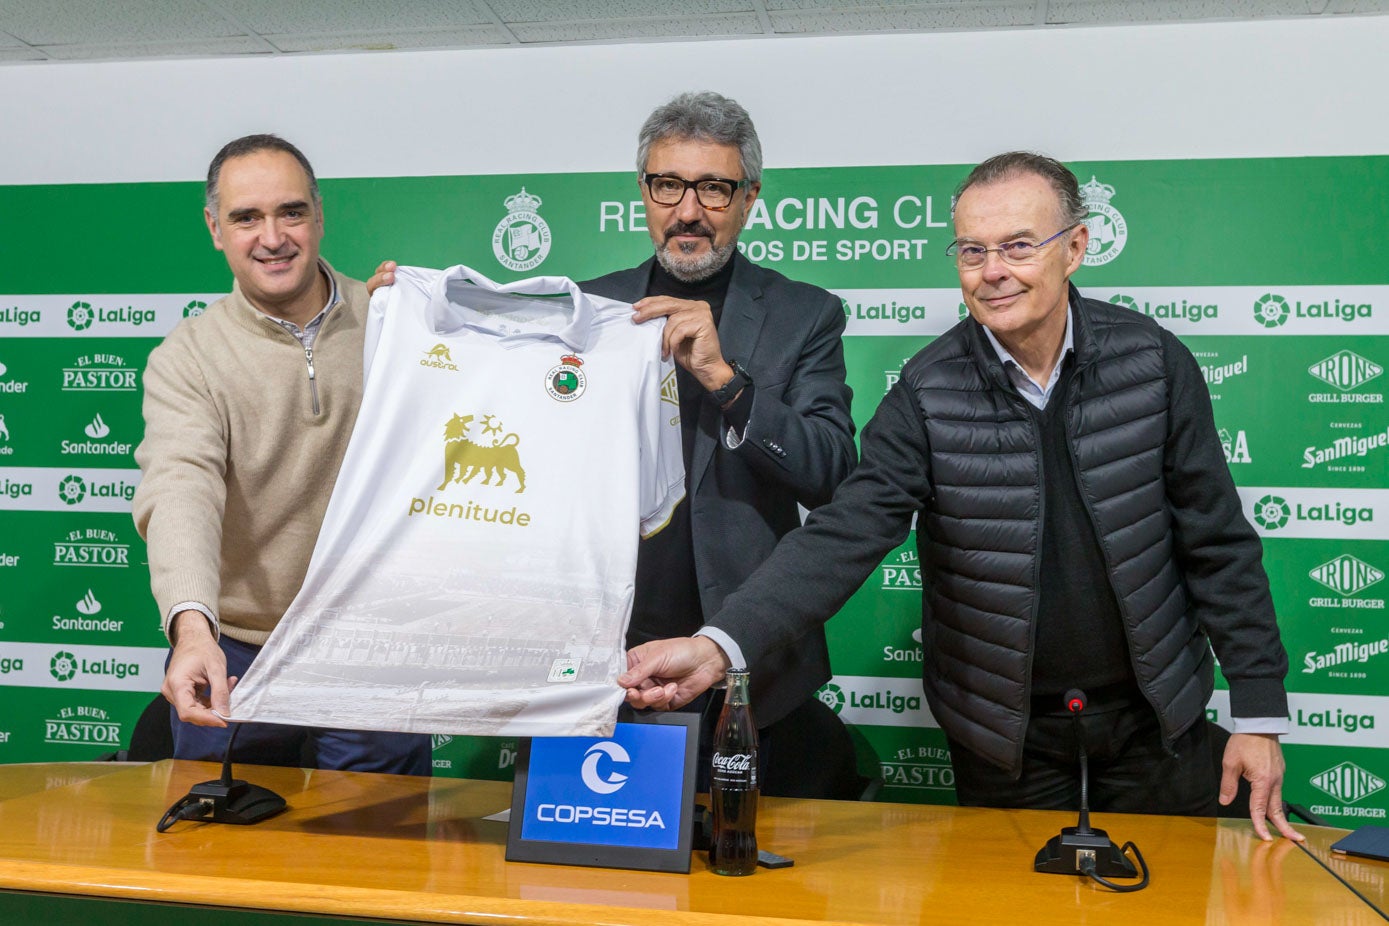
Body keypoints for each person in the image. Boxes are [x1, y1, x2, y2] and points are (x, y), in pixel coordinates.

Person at [620, 151, 1302, 840]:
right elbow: (843, 533)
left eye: (1016, 247)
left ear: (1074, 248)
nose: (992, 271)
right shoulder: (926, 391)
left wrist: (1257, 715)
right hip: (1003, 744)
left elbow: (1217, 545)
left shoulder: (1152, 362)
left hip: (1160, 727)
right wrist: (719, 647)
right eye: (971, 250)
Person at [369, 92, 861, 797]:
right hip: (597, 669)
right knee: (592, 892)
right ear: (644, 192)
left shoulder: (803, 314)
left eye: (714, 188)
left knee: (745, 889)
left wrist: (726, 380)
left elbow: (831, 472)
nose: (688, 211)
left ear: (749, 197)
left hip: (750, 672)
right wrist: (408, 323)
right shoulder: (583, 308)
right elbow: (499, 420)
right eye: (668, 185)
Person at [133, 134, 430, 774]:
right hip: (237, 650)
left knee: (372, 857)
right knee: (219, 858)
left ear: (319, 216)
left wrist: (422, 327)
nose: (273, 237)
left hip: (373, 643)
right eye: (247, 217)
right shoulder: (188, 357)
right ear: (216, 229)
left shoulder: (395, 320)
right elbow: (181, 490)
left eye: (291, 212)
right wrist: (192, 630)